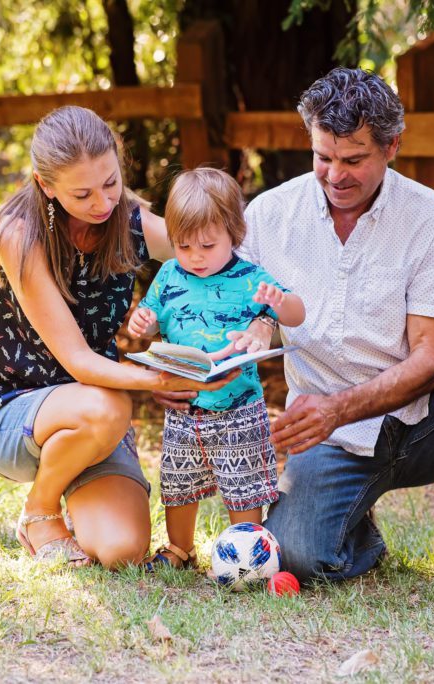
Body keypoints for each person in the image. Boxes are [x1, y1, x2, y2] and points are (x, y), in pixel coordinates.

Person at [155, 68, 434, 607]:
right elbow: (231, 309)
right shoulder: (270, 214)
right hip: (329, 441)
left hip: (427, 420)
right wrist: (178, 375)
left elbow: (432, 359)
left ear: (392, 146)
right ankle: (358, 532)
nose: (335, 174)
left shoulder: (431, 219)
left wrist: (336, 409)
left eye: (354, 159)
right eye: (323, 157)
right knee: (295, 555)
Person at [0, 106, 247, 568]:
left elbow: (221, 257)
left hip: (94, 420)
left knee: (122, 551)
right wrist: (160, 382)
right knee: (108, 404)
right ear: (45, 185)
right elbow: (78, 362)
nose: (102, 202)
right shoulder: (18, 234)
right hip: (14, 413)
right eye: (83, 193)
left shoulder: (129, 219)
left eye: (110, 182)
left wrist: (260, 318)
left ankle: (77, 495)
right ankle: (39, 511)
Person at [126, 168, 305, 569]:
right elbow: (152, 316)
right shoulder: (170, 274)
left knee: (244, 486)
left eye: (207, 245)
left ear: (233, 233)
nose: (195, 256)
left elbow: (297, 313)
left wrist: (278, 302)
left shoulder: (250, 278)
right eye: (183, 245)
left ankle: (249, 551)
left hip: (238, 405)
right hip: (185, 407)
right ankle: (180, 548)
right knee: (178, 482)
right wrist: (143, 322)